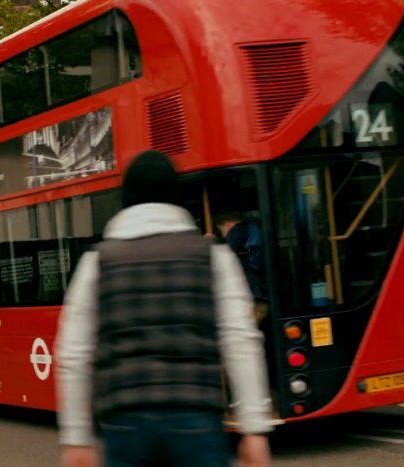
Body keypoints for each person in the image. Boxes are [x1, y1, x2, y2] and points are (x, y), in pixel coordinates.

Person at [56, 150, 273, 467]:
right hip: (196, 420)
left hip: (124, 423)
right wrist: (254, 428)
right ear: (176, 199)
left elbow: (74, 354)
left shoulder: (96, 263)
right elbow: (240, 339)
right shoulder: (212, 257)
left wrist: (76, 437)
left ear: (126, 200)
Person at [213, 211, 269, 321]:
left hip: (254, 288)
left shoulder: (237, 231)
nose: (224, 235)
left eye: (221, 230)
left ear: (225, 224)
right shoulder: (256, 227)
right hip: (265, 285)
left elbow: (226, 257)